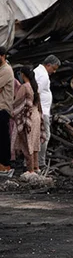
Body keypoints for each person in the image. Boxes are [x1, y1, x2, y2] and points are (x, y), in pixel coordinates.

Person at [11, 66, 42, 173]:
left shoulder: (25, 87)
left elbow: (17, 103)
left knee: (27, 145)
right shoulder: (34, 86)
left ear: (23, 75)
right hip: (36, 116)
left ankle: (30, 171)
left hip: (28, 118)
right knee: (34, 144)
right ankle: (36, 168)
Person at [34, 55, 59, 169]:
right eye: (53, 68)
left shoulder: (36, 71)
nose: (54, 72)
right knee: (45, 136)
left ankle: (32, 161)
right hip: (42, 111)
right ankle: (41, 162)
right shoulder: (43, 75)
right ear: (48, 65)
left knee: (35, 136)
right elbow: (36, 91)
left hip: (39, 110)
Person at [0, 47, 14, 177]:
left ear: (3, 56)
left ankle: (5, 165)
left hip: (3, 109)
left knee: (3, 138)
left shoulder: (6, 70)